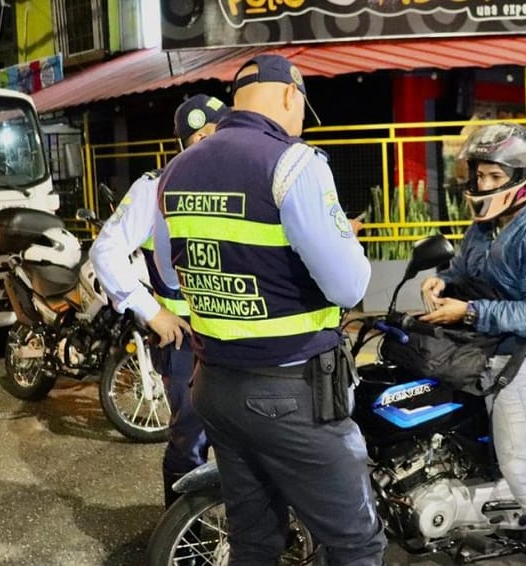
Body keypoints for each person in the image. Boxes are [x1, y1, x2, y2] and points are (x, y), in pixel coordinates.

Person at [158, 54, 386, 565]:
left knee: (255, 540)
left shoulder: (175, 172)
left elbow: (170, 274)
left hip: (214, 385)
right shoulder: (293, 164)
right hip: (290, 390)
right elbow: (348, 286)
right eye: (303, 106)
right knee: (356, 542)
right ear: (289, 94)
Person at [421, 123, 526, 566]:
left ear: (523, 177)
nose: (483, 185)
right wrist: (443, 280)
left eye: (494, 177)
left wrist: (468, 311)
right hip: (480, 349)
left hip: (525, 359)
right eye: (479, 176)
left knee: (521, 472)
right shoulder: (486, 225)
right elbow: (465, 268)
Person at [90, 94, 228, 507]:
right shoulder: (155, 188)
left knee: (244, 438)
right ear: (197, 139)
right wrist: (152, 311)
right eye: (222, 132)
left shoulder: (242, 180)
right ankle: (187, 532)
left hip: (238, 335)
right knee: (190, 439)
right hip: (188, 341)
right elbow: (106, 251)